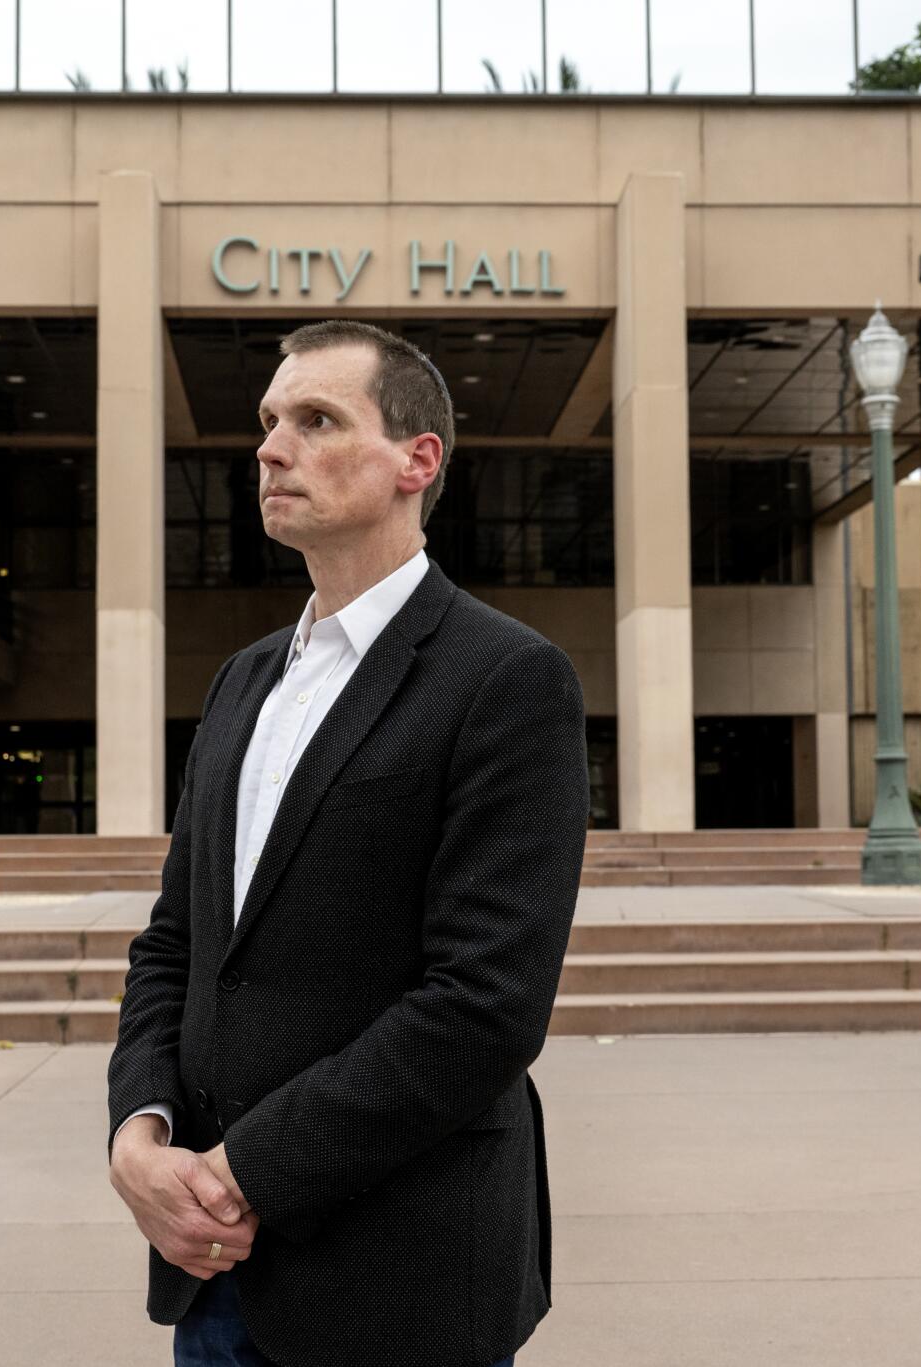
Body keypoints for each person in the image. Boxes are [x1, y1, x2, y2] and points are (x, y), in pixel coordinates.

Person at [107, 320, 589, 1367]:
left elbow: (484, 1006)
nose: (271, 448)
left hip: (398, 1277)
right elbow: (176, 943)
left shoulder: (506, 679)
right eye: (270, 422)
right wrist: (136, 1136)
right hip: (212, 1270)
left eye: (316, 419)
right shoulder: (242, 681)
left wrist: (242, 1172)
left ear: (417, 461)